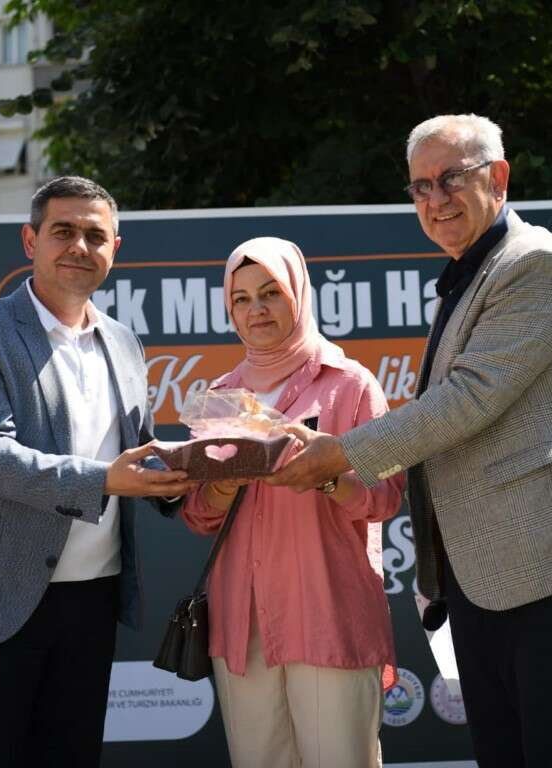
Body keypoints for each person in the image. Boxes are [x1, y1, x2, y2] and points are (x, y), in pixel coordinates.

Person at [269, 114, 552, 767]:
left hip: (542, 554)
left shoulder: (537, 262)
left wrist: (340, 452)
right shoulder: (473, 272)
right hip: (480, 566)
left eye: (451, 178)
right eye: (420, 186)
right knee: (503, 753)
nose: (435, 199)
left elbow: (469, 399)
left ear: (499, 177)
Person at [0, 176, 195, 767]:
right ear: (30, 240)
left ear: (115, 248)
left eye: (95, 236)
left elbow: (135, 452)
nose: (79, 247)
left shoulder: (124, 342)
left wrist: (192, 473)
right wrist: (105, 480)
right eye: (63, 231)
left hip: (92, 601)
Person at [179, 237, 403, 768]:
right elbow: (198, 514)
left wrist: (325, 477)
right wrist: (225, 483)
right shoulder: (221, 396)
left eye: (271, 292)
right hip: (242, 622)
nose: (256, 309)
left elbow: (386, 497)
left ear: (297, 294)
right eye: (241, 298)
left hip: (327, 612)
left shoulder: (350, 384)